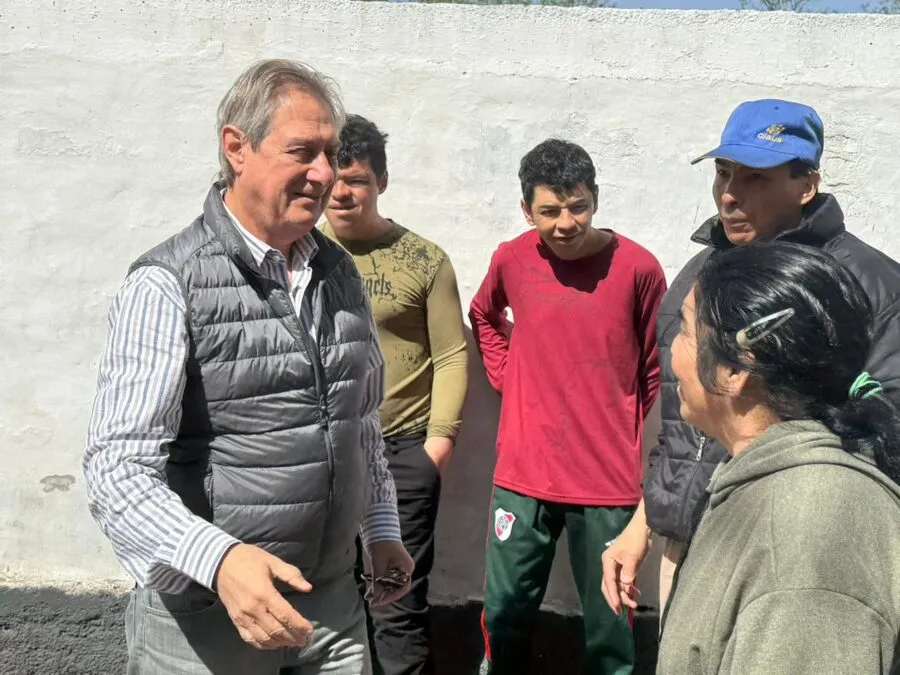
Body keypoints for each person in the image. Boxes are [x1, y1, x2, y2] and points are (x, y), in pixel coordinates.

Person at [82, 59, 414, 675]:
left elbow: (360, 424)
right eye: (303, 152)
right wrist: (220, 561)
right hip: (207, 619)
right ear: (237, 148)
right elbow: (116, 470)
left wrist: (381, 527)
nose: (325, 173)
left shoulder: (340, 274)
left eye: (330, 153)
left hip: (333, 608)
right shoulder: (167, 282)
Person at [601, 98, 900, 619]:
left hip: (797, 556)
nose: (730, 193)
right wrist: (643, 524)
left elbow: (885, 429)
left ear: (806, 186)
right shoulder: (701, 277)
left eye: (756, 177)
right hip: (690, 544)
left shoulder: (865, 285)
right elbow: (682, 420)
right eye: (723, 172)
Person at [469, 139, 667, 675]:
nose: (565, 223)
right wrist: (509, 379)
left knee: (610, 629)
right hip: (523, 474)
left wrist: (617, 419)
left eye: (577, 206)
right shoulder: (511, 258)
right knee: (504, 614)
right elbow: (484, 315)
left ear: (595, 199)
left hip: (606, 482)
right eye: (549, 210)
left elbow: (654, 365)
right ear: (526, 209)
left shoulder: (639, 269)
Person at [655, 241, 900, 674]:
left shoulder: (806, 540)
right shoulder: (763, 478)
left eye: (687, 331)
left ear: (736, 369)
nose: (672, 351)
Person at [321, 114, 469, 675]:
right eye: (334, 178)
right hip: (320, 451)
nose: (342, 192)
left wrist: (437, 447)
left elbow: (451, 355)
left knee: (396, 605)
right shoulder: (299, 251)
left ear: (381, 181)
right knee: (318, 598)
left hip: (401, 451)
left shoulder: (424, 260)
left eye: (356, 180)